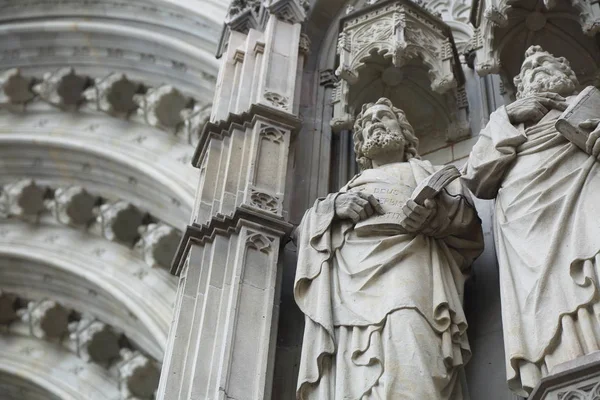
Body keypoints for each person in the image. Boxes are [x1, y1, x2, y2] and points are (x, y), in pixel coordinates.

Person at [294, 98, 483, 399]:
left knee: (410, 347)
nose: (375, 124)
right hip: (350, 286)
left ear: (405, 132)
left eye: (384, 117)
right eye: (367, 123)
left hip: (411, 273)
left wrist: (433, 216)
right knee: (355, 364)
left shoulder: (426, 172)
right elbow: (302, 236)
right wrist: (332, 208)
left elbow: (469, 225)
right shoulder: (347, 188)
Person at [462, 45, 600, 396]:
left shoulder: (592, 103)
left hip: (587, 190)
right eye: (528, 67)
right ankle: (564, 369)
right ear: (519, 86)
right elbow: (477, 177)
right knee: (549, 299)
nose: (537, 66)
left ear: (568, 73)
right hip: (527, 223)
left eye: (545, 61)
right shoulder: (504, 122)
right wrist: (509, 117)